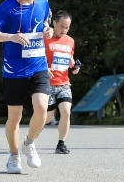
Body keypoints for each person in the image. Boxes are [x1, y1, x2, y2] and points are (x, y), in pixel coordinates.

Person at [0, 0, 53, 174]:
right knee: (14, 117)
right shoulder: (6, 8)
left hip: (38, 65)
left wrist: (49, 32)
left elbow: (45, 25)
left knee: (42, 108)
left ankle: (29, 143)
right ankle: (14, 156)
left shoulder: (43, 2)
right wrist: (11, 37)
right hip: (14, 69)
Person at [44, 10, 79, 154]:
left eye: (67, 27)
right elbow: (35, 57)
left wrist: (75, 67)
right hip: (47, 83)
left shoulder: (70, 41)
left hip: (64, 83)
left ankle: (61, 144)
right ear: (54, 23)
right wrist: (44, 68)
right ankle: (30, 138)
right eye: (61, 26)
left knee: (66, 111)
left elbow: (70, 59)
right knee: (47, 118)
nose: (64, 30)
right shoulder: (45, 38)